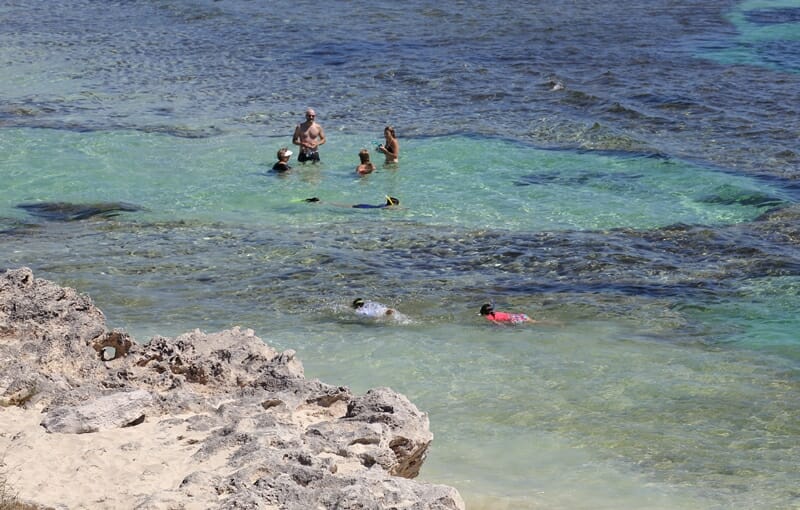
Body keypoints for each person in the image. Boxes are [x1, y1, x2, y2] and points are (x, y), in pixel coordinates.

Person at [304, 196, 399, 209]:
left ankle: (321, 201)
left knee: (341, 205)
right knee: (342, 206)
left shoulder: (383, 205)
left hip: (365, 205)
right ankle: (320, 202)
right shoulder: (385, 207)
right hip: (364, 207)